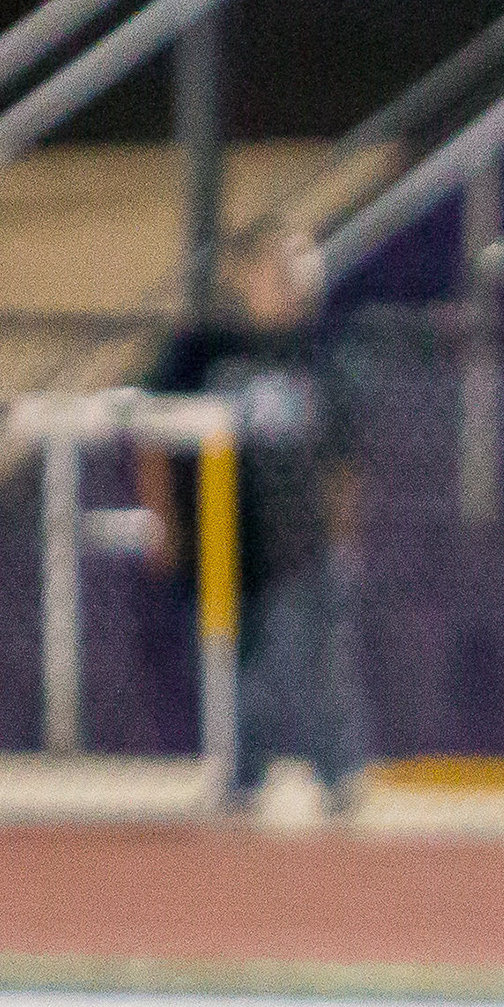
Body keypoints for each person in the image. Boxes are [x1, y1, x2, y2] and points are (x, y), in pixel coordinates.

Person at [138, 224, 370, 819]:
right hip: (226, 542)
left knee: (312, 663)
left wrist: (340, 540)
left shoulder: (321, 355)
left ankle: (338, 776)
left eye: (294, 274)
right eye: (274, 271)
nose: (285, 287)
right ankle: (241, 776)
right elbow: (152, 433)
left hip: (300, 543)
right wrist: (164, 520)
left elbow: (345, 458)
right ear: (247, 277)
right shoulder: (205, 348)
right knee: (232, 666)